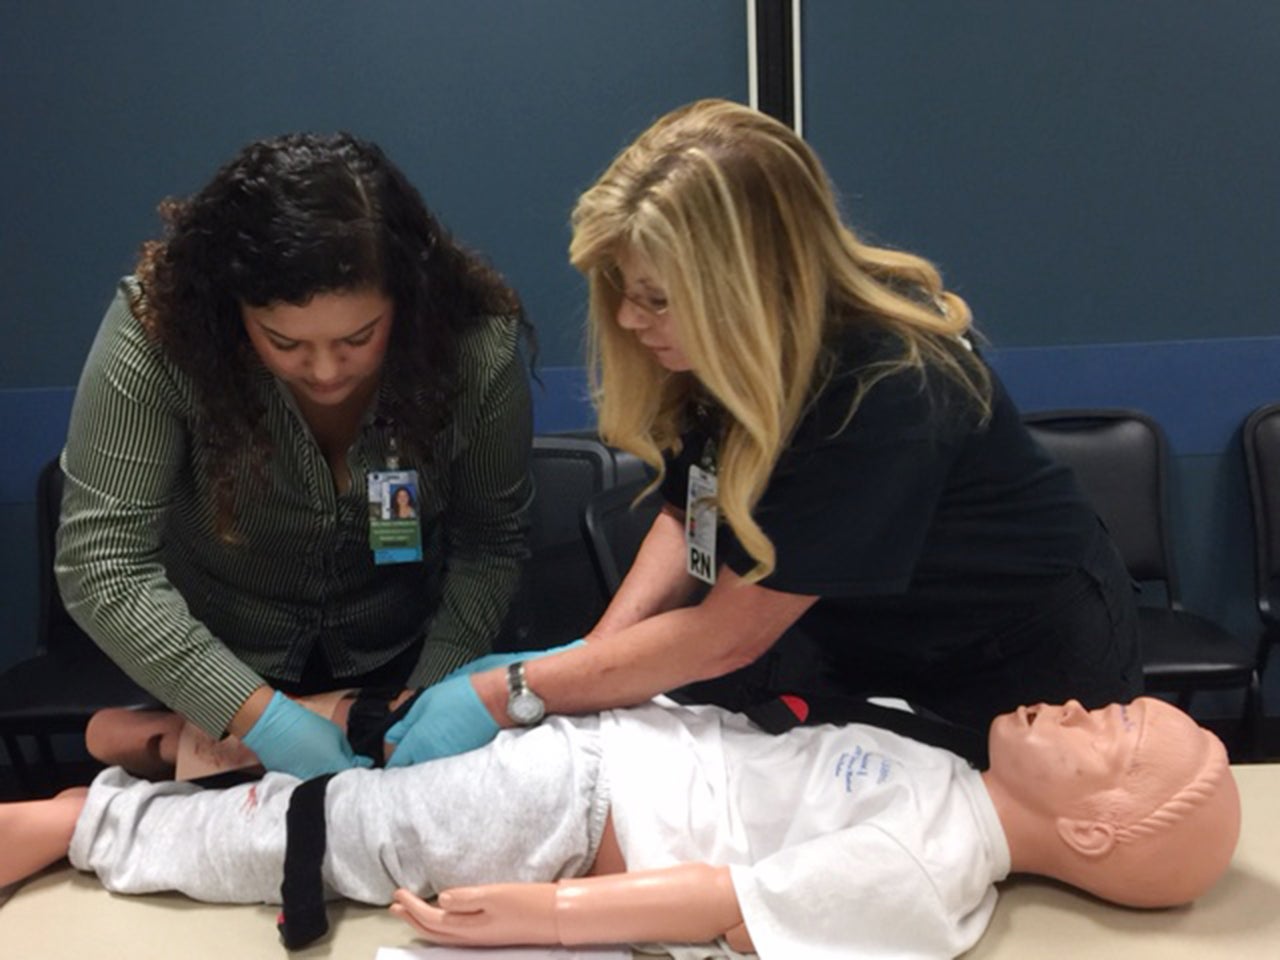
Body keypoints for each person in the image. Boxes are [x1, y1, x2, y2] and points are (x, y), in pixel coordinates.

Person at [382, 98, 1142, 767]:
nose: (625, 319)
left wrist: (512, 691)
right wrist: (594, 657)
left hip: (1015, 658)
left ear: (748, 285)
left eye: (655, 297)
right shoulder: (719, 356)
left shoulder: (889, 388)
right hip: (859, 633)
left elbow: (728, 635)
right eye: (622, 290)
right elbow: (693, 512)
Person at [0, 697, 1240, 959]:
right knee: (375, 757)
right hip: (603, 746)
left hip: (570, 813)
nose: (1083, 706)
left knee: (338, 830)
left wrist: (535, 920)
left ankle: (81, 821)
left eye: (1109, 739)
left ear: (1093, 834)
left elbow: (720, 904)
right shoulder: (941, 768)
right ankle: (177, 748)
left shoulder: (927, 872)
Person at [55, 132, 535, 781]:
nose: (326, 370)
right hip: (209, 662)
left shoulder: (472, 346)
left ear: (408, 297)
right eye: (284, 341)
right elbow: (103, 561)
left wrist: (428, 700)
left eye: (358, 337)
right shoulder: (159, 331)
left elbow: (491, 543)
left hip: (404, 658)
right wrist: (257, 717)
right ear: (232, 309)